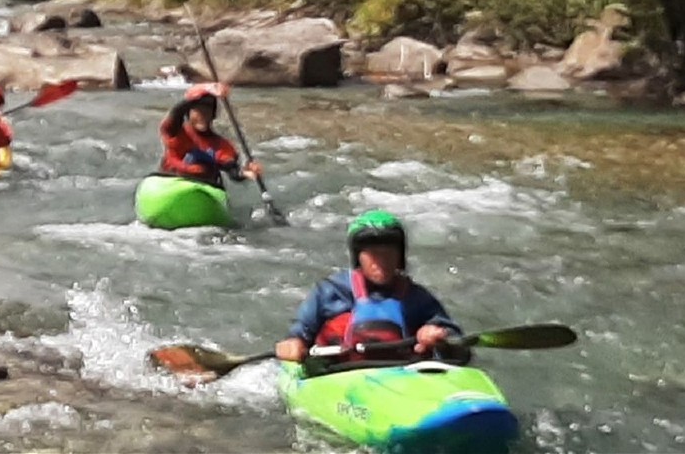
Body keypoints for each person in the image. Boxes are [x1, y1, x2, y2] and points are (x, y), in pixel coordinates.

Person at [275, 210, 465, 367]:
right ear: (358, 257)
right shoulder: (331, 292)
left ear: (400, 256)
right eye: (373, 255)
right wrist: (294, 343)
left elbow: (459, 349)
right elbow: (300, 331)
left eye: (388, 253)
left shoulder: (416, 298)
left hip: (399, 378)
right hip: (338, 375)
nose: (381, 263)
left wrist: (440, 336)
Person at [158, 82, 260, 187]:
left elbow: (232, 171)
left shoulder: (222, 145)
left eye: (207, 110)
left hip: (201, 190)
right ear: (188, 113)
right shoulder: (175, 131)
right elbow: (176, 112)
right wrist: (204, 89)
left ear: (213, 115)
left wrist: (245, 173)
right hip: (170, 183)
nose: (203, 115)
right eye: (198, 111)